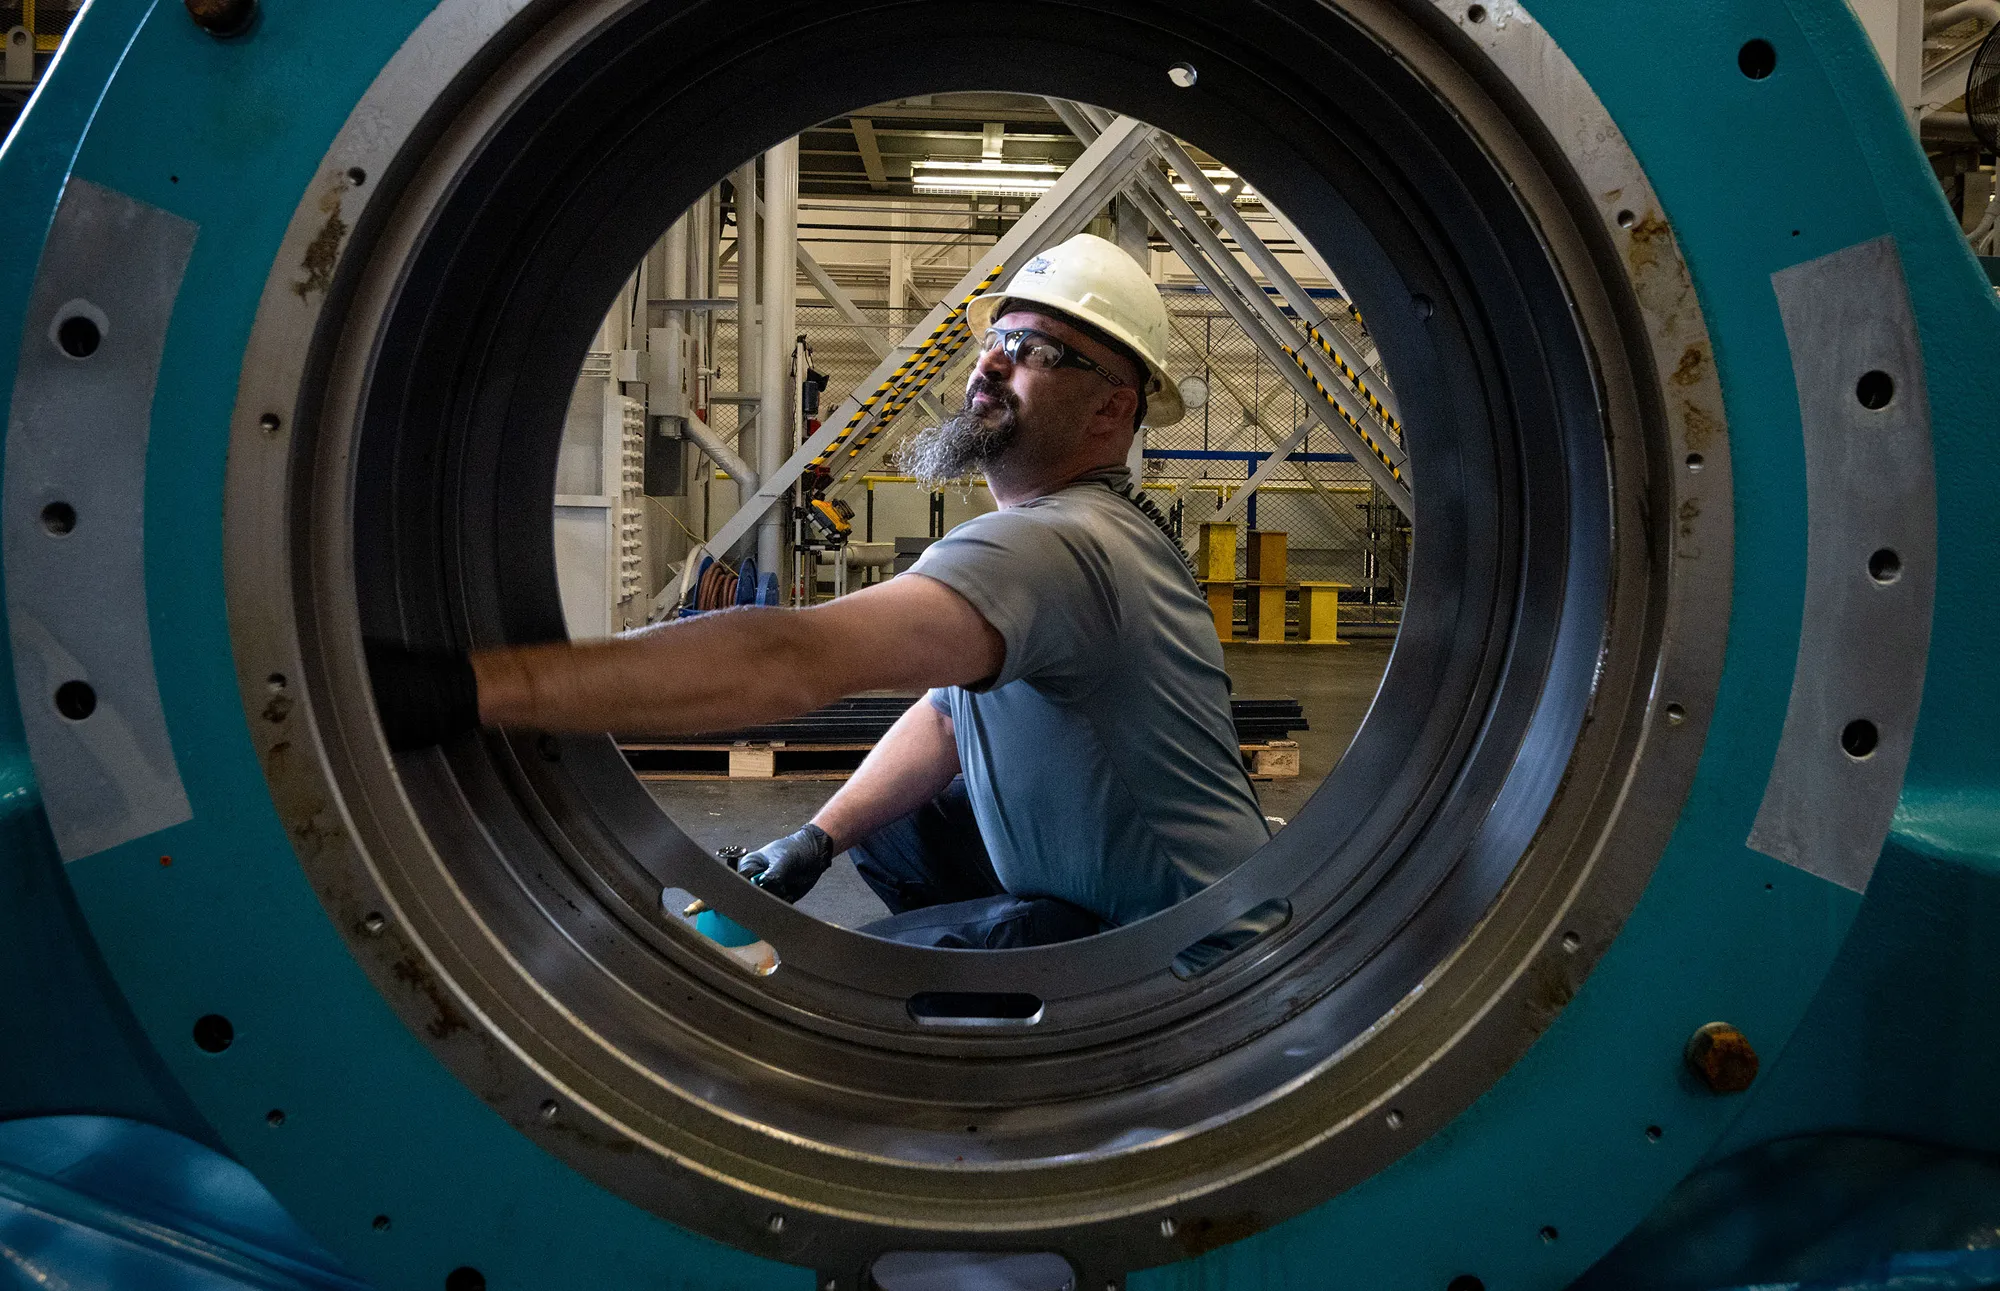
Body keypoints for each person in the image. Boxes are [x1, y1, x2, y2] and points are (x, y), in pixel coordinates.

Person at [370, 232, 1272, 949]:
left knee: (873, 998)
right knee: (893, 824)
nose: (992, 362)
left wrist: (465, 690)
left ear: (1114, 407)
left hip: (1191, 964)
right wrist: (816, 839)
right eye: (995, 337)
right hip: (1114, 902)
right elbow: (954, 717)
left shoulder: (1064, 543)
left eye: (1037, 349)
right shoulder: (1069, 532)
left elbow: (790, 658)